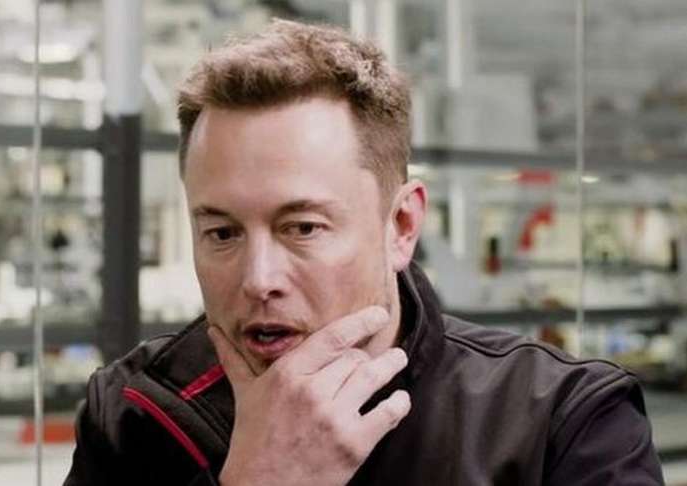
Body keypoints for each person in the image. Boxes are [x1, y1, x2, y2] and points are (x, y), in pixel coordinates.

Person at [64, 19, 664, 486]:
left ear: (401, 225)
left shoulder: (560, 422)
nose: (259, 279)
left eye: (302, 228)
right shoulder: (134, 412)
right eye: (222, 233)